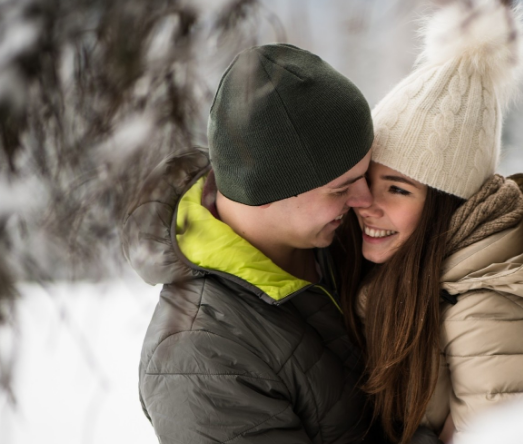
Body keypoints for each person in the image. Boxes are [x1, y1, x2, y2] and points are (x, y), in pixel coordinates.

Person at [122, 44, 438, 444]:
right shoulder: (200, 358)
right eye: (340, 188)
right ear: (266, 190)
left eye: (366, 174)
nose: (365, 200)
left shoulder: (343, 236)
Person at [334, 2, 523, 443]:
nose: (366, 202)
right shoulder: (421, 275)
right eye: (367, 181)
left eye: (398, 189)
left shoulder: (488, 313)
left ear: (449, 205)